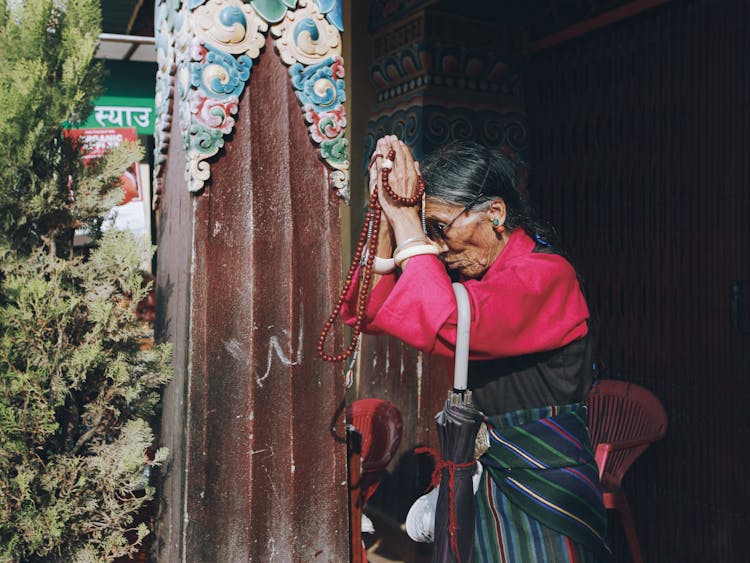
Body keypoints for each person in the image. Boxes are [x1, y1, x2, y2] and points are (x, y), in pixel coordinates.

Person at [342, 135, 610, 562]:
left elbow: (448, 321)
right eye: (429, 231)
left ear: (495, 214)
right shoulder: (468, 280)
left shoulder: (547, 274)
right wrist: (384, 215)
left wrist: (411, 226)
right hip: (483, 480)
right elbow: (366, 312)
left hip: (545, 484)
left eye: (441, 228)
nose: (439, 248)